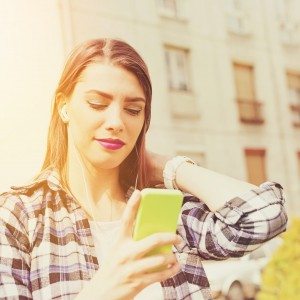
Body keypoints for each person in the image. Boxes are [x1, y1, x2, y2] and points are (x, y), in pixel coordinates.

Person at [0, 38, 287, 300]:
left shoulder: (166, 212)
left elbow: (264, 216)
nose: (116, 121)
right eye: (97, 103)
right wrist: (107, 289)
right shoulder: (17, 218)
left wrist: (168, 167)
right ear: (64, 106)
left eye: (133, 110)